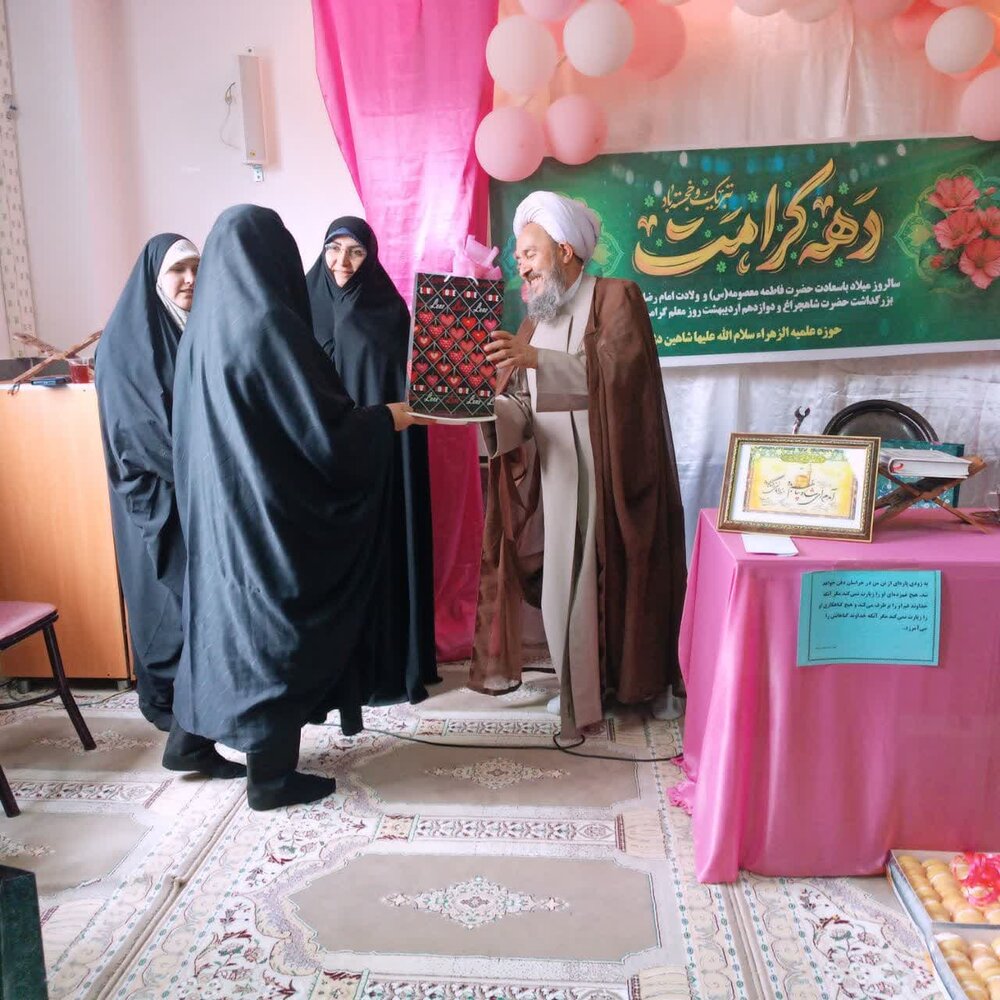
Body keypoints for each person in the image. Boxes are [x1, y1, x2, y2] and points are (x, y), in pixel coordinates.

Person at [170, 205, 428, 810]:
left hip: (215, 509)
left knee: (216, 623)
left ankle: (188, 744)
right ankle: (270, 777)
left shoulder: (203, 329)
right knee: (273, 626)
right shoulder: (269, 327)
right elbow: (323, 430)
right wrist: (385, 418)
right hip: (264, 514)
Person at [471, 191, 687, 736]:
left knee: (625, 578)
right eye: (518, 257)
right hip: (559, 478)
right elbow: (522, 408)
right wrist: (482, 410)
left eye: (530, 253)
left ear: (565, 251)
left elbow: (622, 374)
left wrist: (538, 360)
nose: (521, 266)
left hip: (614, 472)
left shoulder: (615, 296)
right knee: (562, 589)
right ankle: (579, 686)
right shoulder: (533, 323)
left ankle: (643, 684)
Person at [306, 217, 438, 705]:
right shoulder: (301, 305)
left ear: (371, 256)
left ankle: (386, 666)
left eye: (355, 251)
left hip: (379, 458)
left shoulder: (388, 311)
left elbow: (407, 392)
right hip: (321, 460)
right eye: (333, 249)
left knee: (381, 554)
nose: (342, 261)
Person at [95, 234, 203, 736]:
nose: (189, 279)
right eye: (177, 270)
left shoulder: (189, 327)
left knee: (195, 602)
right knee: (165, 601)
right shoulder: (126, 343)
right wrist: (203, 468)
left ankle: (196, 713)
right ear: (155, 278)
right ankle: (169, 709)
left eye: (195, 267)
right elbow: (137, 433)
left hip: (189, 488)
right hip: (153, 497)